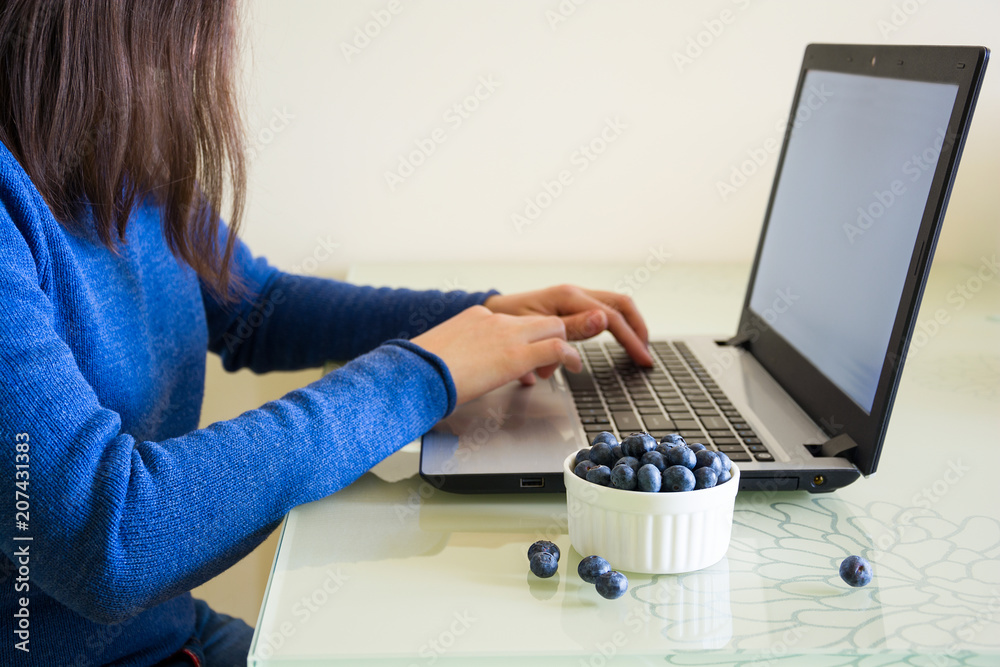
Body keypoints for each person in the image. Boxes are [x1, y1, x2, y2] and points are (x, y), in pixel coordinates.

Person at [0, 2, 651, 665]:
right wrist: (425, 373)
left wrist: (481, 318)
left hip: (172, 636)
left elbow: (258, 307)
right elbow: (113, 538)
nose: (201, 49)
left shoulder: (103, 146)